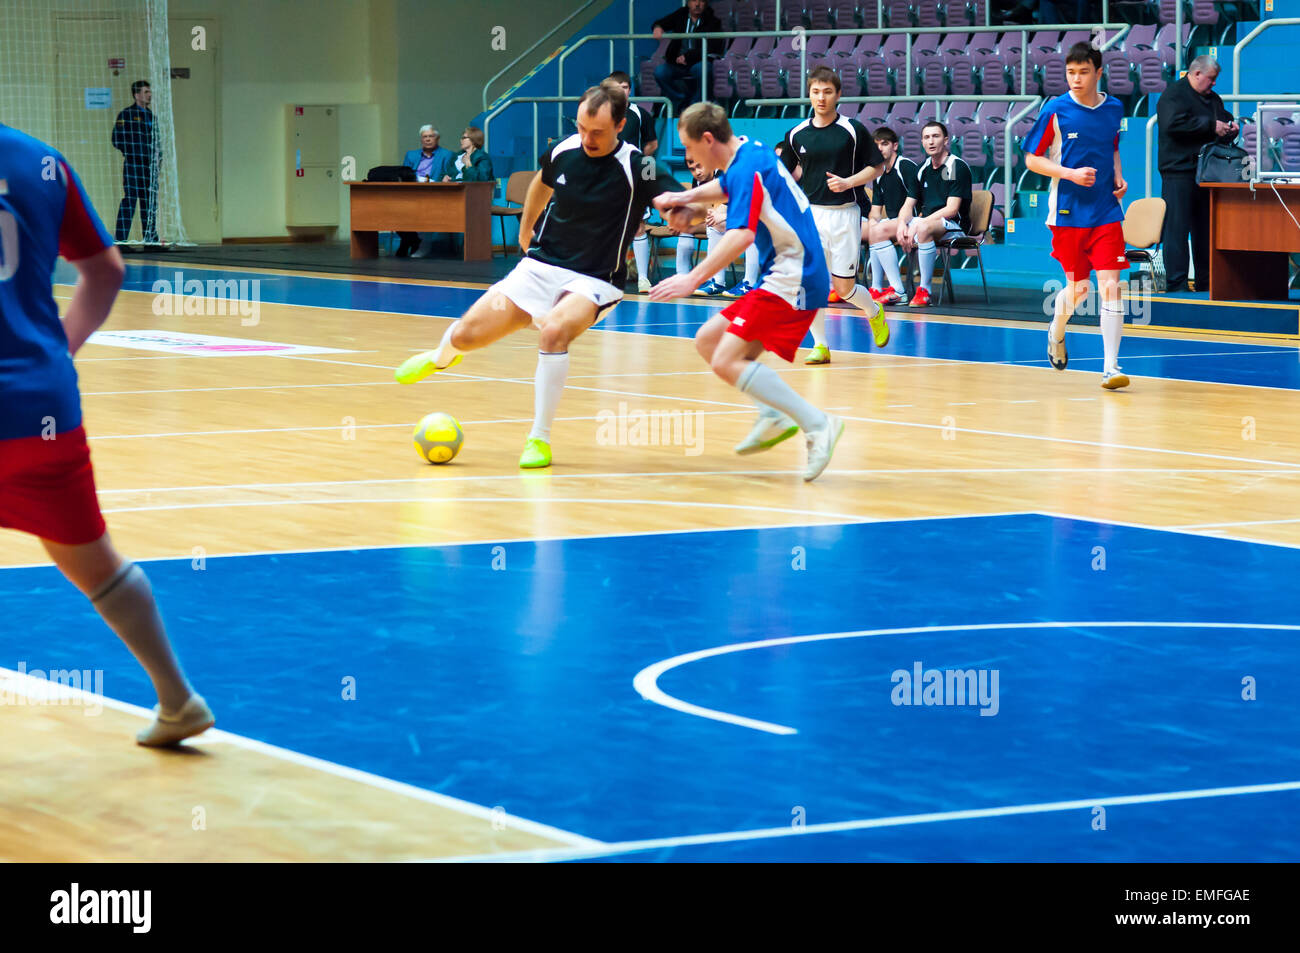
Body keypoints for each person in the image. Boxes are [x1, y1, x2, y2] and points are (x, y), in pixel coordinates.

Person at [0, 122, 212, 745]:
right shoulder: (39, 161)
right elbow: (106, 271)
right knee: (93, 559)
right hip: (41, 406)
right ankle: (178, 698)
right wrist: (55, 355)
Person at [393, 82, 682, 469]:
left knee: (553, 332)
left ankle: (538, 439)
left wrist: (682, 211)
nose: (586, 138)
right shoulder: (565, 150)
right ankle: (440, 357)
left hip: (594, 279)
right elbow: (541, 183)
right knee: (463, 335)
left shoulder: (638, 166)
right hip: (541, 267)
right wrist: (525, 228)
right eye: (581, 128)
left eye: (597, 132)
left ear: (620, 125)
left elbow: (671, 198)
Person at [649, 103, 845, 482]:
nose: (689, 157)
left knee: (725, 360)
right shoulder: (748, 151)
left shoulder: (747, 167)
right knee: (708, 341)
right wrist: (681, 198)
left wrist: (691, 278)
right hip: (787, 270)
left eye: (690, 149)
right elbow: (724, 186)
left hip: (796, 274)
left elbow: (741, 235)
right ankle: (772, 416)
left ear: (708, 140)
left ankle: (818, 425)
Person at [1024, 42, 1131, 389]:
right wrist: (1069, 174)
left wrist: (1117, 174)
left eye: (1083, 72)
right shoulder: (1055, 109)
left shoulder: (1114, 107)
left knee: (1112, 287)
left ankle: (1111, 368)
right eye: (1070, 72)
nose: (1076, 78)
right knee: (1079, 290)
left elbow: (1111, 143)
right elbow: (1031, 160)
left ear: (1098, 73)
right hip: (1067, 214)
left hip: (1105, 212)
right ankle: (1056, 329)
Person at [784, 66, 889, 364]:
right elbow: (785, 172)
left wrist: (849, 182)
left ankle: (874, 311)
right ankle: (820, 345)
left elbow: (876, 166)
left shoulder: (853, 130)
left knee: (843, 288)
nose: (821, 97)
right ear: (809, 94)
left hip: (845, 215)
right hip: (811, 216)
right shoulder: (795, 134)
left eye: (827, 91)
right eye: (816, 91)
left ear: (838, 95)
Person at [1156, 55, 1238, 293]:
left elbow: (1221, 121)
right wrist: (1211, 126)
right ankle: (1177, 285)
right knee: (1177, 230)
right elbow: (1172, 124)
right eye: (1211, 79)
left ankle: (1207, 283)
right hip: (1178, 171)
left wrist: (1230, 129)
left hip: (1206, 174)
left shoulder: (1213, 99)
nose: (1213, 84)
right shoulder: (1173, 95)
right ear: (1196, 74)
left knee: (1205, 231)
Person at [897, 121, 973, 307]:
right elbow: (908, 204)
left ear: (946, 140)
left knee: (922, 227)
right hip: (928, 222)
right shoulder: (922, 169)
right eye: (926, 137)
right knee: (880, 230)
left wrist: (916, 224)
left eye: (936, 136)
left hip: (953, 225)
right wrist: (901, 224)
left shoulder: (954, 166)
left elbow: (951, 209)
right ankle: (896, 290)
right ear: (922, 142)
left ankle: (925, 290)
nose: (931, 141)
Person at [610, 71, 662, 293]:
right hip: (607, 179)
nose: (622, 91)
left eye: (625, 87)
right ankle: (612, 275)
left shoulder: (641, 115)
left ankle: (643, 279)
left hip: (634, 180)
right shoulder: (602, 114)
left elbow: (652, 145)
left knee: (638, 227)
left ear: (630, 90)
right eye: (617, 87)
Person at [861, 127, 919, 305]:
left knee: (878, 230)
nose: (880, 148)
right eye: (876, 145)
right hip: (892, 223)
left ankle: (899, 291)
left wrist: (899, 222)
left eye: (884, 144)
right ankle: (876, 289)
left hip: (914, 221)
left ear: (895, 146)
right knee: (859, 228)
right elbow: (876, 210)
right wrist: (871, 222)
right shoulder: (878, 174)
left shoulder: (905, 166)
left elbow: (914, 200)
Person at [652, 0, 722, 116]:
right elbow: (661, 23)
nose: (697, 4)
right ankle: (680, 99)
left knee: (703, 69)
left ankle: (695, 105)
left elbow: (712, 47)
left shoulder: (713, 21)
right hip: (677, 63)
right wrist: (657, 27)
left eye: (701, 1)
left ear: (705, 4)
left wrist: (688, 57)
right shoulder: (681, 15)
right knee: (660, 72)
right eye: (694, 0)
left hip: (698, 61)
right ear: (688, 3)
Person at [111, 80, 159, 246]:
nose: (149, 95)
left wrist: (158, 160)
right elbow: (116, 139)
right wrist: (132, 152)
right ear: (137, 95)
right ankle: (121, 240)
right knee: (130, 200)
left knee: (149, 202)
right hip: (133, 164)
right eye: (146, 92)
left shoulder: (151, 117)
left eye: (149, 91)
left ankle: (150, 240)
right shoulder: (126, 115)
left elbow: (157, 141)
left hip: (148, 166)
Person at [398, 125, 455, 258]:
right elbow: (404, 174)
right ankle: (410, 240)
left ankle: (422, 245)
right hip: (412, 192)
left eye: (431, 136)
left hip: (435, 193)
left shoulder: (447, 154)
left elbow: (449, 174)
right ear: (421, 139)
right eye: (425, 137)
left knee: (424, 209)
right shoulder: (411, 154)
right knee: (396, 208)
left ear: (437, 138)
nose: (428, 139)